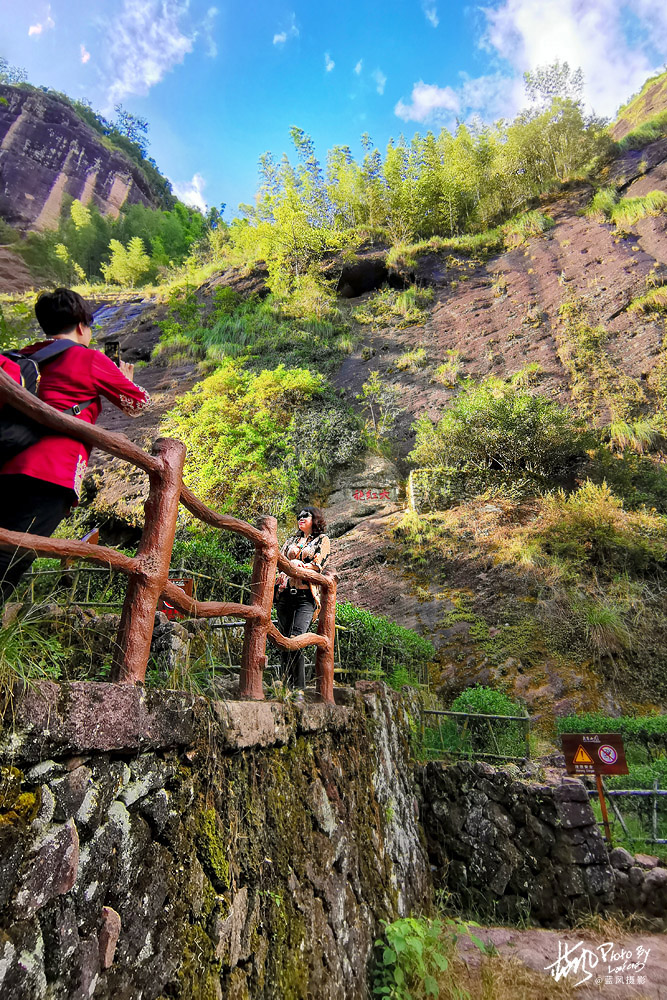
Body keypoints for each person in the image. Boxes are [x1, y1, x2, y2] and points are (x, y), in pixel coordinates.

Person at [0, 287, 151, 601]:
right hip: (50, 472)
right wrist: (126, 377)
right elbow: (137, 404)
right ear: (82, 326)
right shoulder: (88, 358)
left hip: (6, 461)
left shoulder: (23, 355)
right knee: (9, 560)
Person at [275, 507, 331, 690]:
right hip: (285, 594)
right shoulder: (291, 540)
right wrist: (289, 564)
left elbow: (318, 565)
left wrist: (299, 567)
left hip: (305, 596)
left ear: (315, 519)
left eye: (305, 516)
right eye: (298, 516)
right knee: (283, 640)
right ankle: (284, 687)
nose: (300, 518)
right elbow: (279, 560)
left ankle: (298, 689)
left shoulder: (322, 540)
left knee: (297, 638)